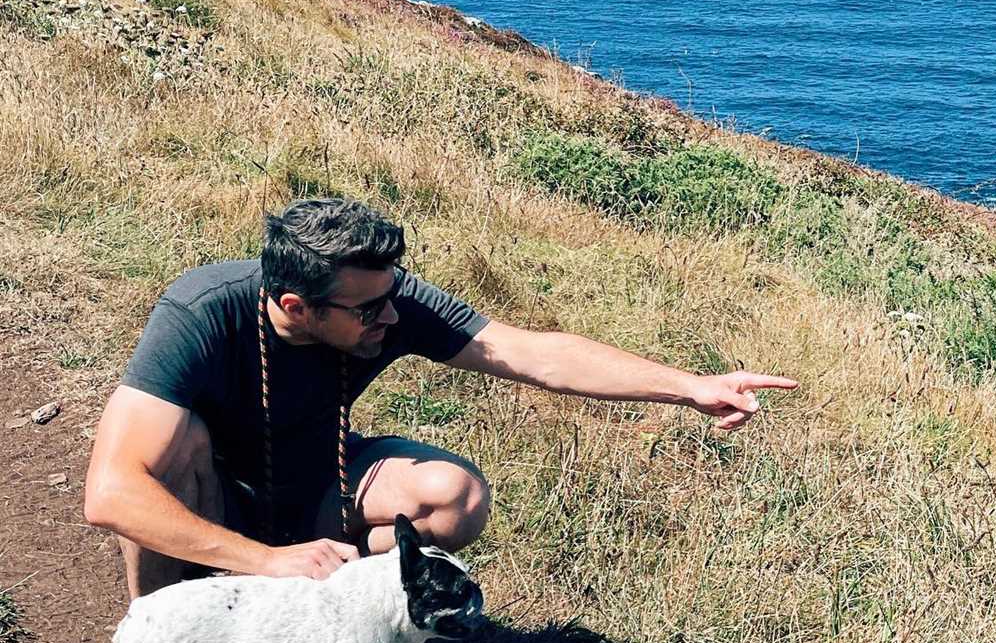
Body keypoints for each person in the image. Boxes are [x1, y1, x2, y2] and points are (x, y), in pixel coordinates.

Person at [85, 197, 797, 598]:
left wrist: (688, 387)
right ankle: (169, 635)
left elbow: (531, 351)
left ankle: (347, 608)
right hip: (214, 502)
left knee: (452, 494)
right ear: (298, 307)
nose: (391, 321)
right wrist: (266, 560)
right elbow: (111, 494)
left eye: (391, 298)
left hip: (316, 487)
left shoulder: (381, 299)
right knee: (174, 448)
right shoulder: (202, 312)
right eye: (368, 313)